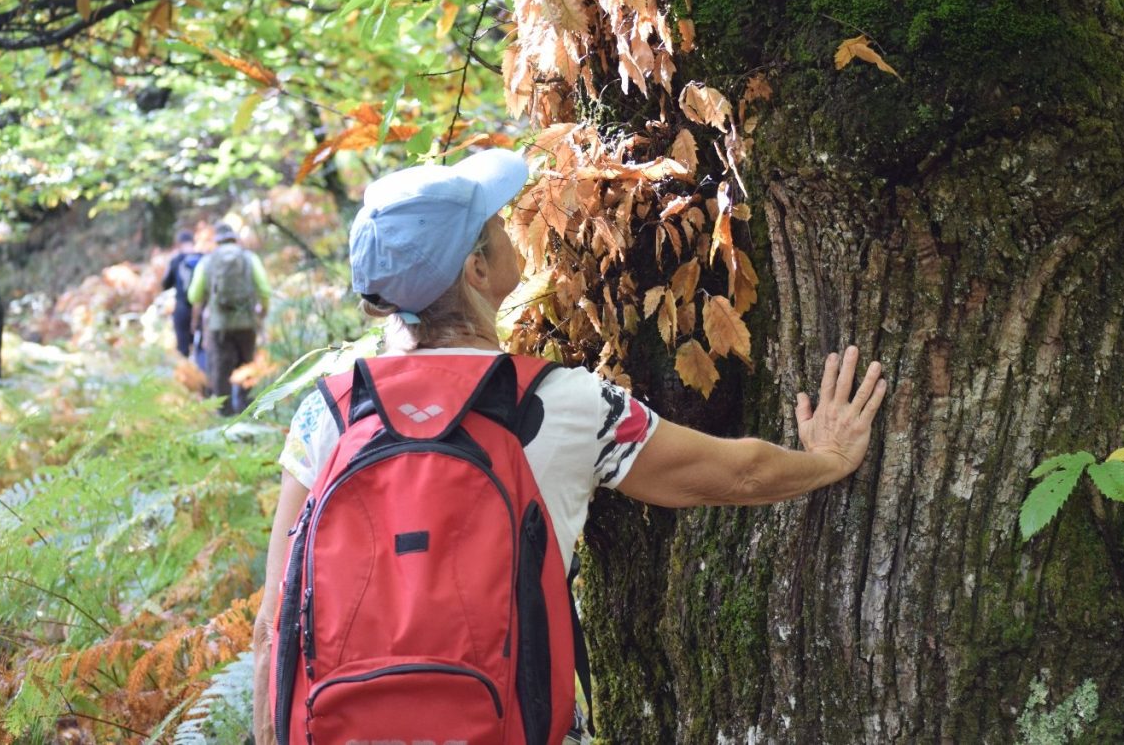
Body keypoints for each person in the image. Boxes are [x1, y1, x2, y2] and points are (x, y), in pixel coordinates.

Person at [249, 149, 887, 744]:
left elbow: (273, 625)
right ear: (476, 268)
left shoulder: (328, 414)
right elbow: (735, 473)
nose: (508, 230)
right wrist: (827, 461)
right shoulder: (561, 403)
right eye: (494, 224)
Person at [187, 222, 271, 416]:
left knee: (220, 369)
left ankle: (225, 414)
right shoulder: (249, 259)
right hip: (247, 324)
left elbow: (194, 296)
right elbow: (265, 290)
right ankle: (248, 411)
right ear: (235, 238)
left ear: (217, 240)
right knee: (246, 366)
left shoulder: (207, 262)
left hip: (219, 326)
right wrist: (262, 312)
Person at [159, 230, 202, 359]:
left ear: (179, 244)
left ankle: (186, 375)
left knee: (183, 347)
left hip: (182, 307)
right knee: (202, 345)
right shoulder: (203, 258)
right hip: (201, 308)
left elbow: (165, 284)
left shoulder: (176, 260)